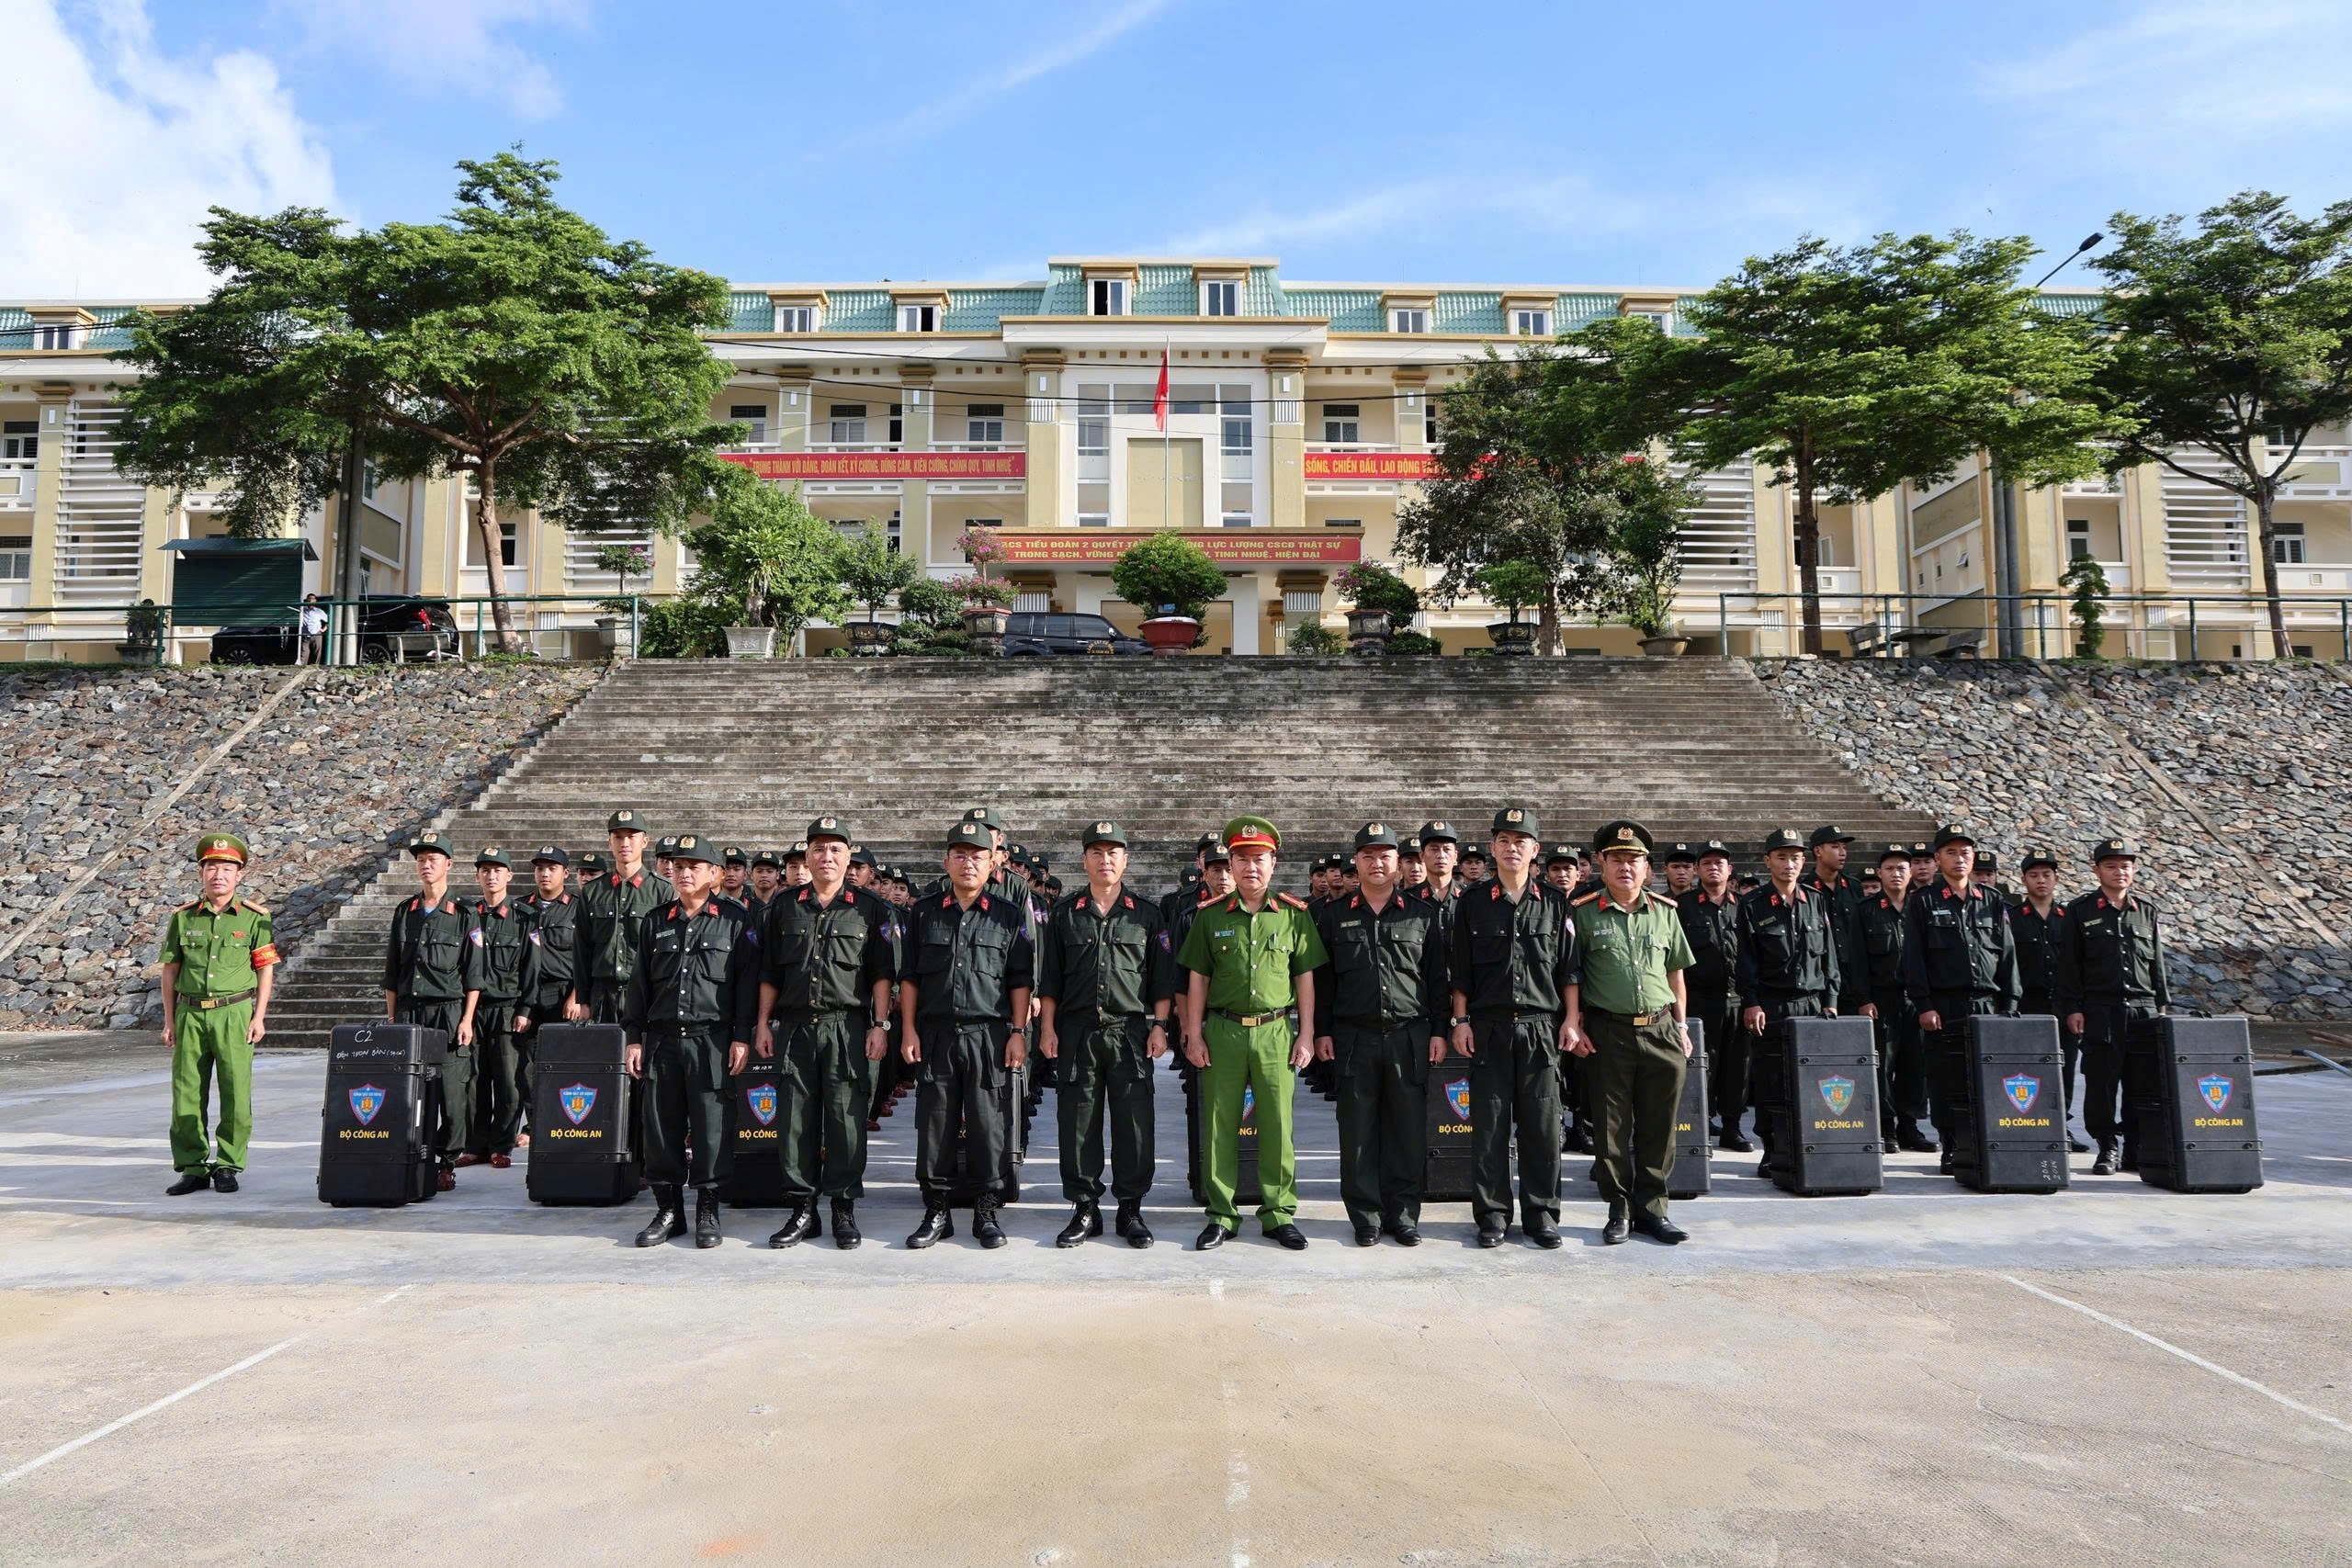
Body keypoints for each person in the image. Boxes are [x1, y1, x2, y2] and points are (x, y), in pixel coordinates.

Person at [1175, 815, 1326, 1252]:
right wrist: (1194, 1034)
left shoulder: (1293, 915)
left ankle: (1278, 1213)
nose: (1250, 868)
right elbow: (1198, 979)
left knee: (1278, 1124)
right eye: (1241, 860)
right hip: (1223, 1030)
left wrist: (1306, 1034)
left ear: (1273, 863)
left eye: (1259, 859)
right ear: (1231, 865)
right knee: (1220, 1123)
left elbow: (1305, 979)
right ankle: (1221, 1214)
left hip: (1275, 1030)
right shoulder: (1209, 916)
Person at [751, 816, 900, 1249]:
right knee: (795, 1122)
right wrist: (762, 1024)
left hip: (847, 1029)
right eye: (818, 849)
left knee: (845, 1121)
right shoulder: (784, 907)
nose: (826, 856)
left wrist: (880, 1025)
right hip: (795, 1028)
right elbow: (769, 973)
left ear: (849, 857)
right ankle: (802, 1209)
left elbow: (881, 974)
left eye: (836, 849)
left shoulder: (870, 908)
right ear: (807, 856)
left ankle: (843, 1208)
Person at [1311, 822, 1447, 1247]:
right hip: (1355, 1038)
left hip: (1409, 1036)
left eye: (1385, 856)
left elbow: (1437, 980)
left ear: (1399, 864)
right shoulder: (1333, 916)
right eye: (1368, 856)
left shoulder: (1422, 914)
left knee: (1407, 1132)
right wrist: (1320, 1032)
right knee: (1357, 1133)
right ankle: (1365, 1216)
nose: (1377, 863)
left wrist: (1440, 1031)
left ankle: (1403, 1214)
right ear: (1356, 862)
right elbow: (1323, 982)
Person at [901, 819, 1035, 1249]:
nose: (968, 863)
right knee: (935, 1124)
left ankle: (986, 1212)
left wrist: (1018, 1032)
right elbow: (910, 978)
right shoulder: (923, 912)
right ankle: (936, 1211)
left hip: (988, 1035)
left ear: (992, 862)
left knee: (987, 1124)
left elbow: (1019, 980)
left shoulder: (1008, 914)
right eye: (959, 855)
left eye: (977, 856)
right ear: (947, 862)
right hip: (936, 1034)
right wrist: (907, 1029)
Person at [1447, 807, 1577, 1249]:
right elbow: (1461, 970)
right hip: (1489, 1028)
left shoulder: (1555, 903)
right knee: (1489, 1127)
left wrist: (1571, 1020)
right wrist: (1461, 1020)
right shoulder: (1472, 902)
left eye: (1521, 841)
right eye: (1503, 840)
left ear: (1535, 850)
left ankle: (1542, 1215)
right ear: (1492, 848)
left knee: (1542, 1127)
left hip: (1541, 1028)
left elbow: (1569, 970)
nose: (1512, 848)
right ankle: (1493, 1215)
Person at [623, 834, 761, 1249]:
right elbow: (639, 985)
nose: (684, 873)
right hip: (662, 1041)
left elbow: (746, 985)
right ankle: (668, 1210)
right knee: (660, 1130)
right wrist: (633, 1039)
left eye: (694, 867)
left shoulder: (735, 920)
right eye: (679, 866)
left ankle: (707, 1209)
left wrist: (741, 1037)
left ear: (714, 873)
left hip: (711, 1041)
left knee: (711, 1129)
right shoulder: (656, 921)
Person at [1037, 820, 1170, 1248]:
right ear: (1085, 860)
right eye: (1096, 852)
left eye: (1113, 852)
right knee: (1077, 1124)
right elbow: (1050, 979)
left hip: (1129, 1033)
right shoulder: (1065, 914)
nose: (1105, 860)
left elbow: (1162, 979)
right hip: (1077, 1033)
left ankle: (1130, 1208)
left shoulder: (1146, 914)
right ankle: (1085, 1208)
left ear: (1125, 860)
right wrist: (1047, 1028)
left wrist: (1160, 1026)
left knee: (1134, 1124)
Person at [1566, 819, 1696, 1246]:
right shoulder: (1583, 912)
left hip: (1661, 1029)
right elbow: (1572, 974)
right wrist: (1576, 1022)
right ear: (1601, 864)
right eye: (1617, 859)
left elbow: (1675, 973)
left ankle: (1654, 1209)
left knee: (1660, 1126)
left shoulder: (1665, 912)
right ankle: (1619, 1208)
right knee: (1611, 1129)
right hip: (1609, 1032)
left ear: (1646, 869)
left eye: (1634, 860)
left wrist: (1681, 1025)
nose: (1626, 867)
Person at [158, 831, 279, 1195]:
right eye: (212, 868)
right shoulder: (183, 918)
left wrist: (259, 1016)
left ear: (239, 875)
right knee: (186, 1093)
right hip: (191, 1014)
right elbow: (170, 971)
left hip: (234, 1013)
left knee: (236, 1093)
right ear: (201, 872)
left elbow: (265, 970)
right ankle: (193, 1166)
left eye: (227, 869)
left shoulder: (255, 918)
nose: (219, 875)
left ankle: (228, 1164)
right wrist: (169, 1020)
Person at [1901, 826, 2021, 1175]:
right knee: (1945, 1079)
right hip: (1945, 1006)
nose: (1960, 859)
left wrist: (2010, 1005)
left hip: (1987, 1005)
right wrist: (1924, 1004)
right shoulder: (1923, 901)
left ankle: (1985, 1141)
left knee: (1987, 1077)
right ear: (1938, 859)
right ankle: (1951, 1143)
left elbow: (2007, 956)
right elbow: (1914, 958)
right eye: (1951, 852)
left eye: (1965, 852)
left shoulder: (1992, 899)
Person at [1736, 828, 1842, 1182]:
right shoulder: (1753, 903)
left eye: (1795, 857)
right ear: (1768, 861)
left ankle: (1808, 1145)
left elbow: (1829, 956)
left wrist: (1830, 1001)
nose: (1789, 864)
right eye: (1781, 857)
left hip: (1812, 1005)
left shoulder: (1816, 899)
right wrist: (1751, 1002)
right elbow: (1746, 960)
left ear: (1804, 861)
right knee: (1771, 1081)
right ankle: (1772, 1148)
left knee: (1812, 1080)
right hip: (1773, 1005)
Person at [2057, 838, 2168, 1176]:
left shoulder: (2146, 911)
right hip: (2100, 1010)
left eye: (2125, 866)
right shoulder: (2080, 911)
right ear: (2096, 870)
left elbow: (2157, 965)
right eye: (2111, 866)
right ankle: (2107, 1145)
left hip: (2143, 1010)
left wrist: (2161, 1008)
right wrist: (2072, 1008)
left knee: (2142, 1084)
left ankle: (2136, 1147)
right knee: (2101, 1084)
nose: (2119, 872)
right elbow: (2069, 965)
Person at [381, 830, 474, 1190]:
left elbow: (474, 974)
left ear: (448, 864)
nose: (426, 865)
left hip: (448, 1013)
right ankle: (411, 1156)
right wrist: (392, 1019)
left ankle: (446, 1161)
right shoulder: (406, 912)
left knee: (451, 1094)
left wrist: (467, 1019)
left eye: (433, 859)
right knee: (410, 1090)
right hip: (409, 1013)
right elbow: (392, 971)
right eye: (421, 860)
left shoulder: (464, 913)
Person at [457, 847, 534, 1170]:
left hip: (507, 1010)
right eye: (485, 871)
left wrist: (525, 1008)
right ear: (477, 876)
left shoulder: (523, 917)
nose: (491, 876)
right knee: (474, 1081)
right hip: (473, 1010)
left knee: (508, 1083)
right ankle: (475, 1145)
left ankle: (501, 1145)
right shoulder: (466, 914)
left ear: (509, 876)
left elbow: (531, 967)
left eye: (497, 870)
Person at [1858, 844, 1935, 1155]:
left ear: (1911, 872)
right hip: (1882, 1000)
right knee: (1883, 1067)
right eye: (1889, 869)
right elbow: (1858, 959)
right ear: (1879, 873)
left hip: (1918, 1000)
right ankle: (1886, 1126)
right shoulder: (1865, 910)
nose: (1896, 874)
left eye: (1902, 868)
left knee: (1915, 1067)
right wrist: (1864, 999)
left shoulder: (1924, 905)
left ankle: (1909, 1126)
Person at [2011, 847, 2087, 1153]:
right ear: (2024, 880)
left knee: (2064, 1069)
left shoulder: (2070, 918)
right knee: (2026, 1070)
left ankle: (2060, 1125)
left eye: (2046, 874)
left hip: (2063, 1006)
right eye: (2034, 875)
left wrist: (2077, 1005)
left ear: (2056, 878)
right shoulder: (2012, 918)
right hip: (2028, 1006)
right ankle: (2029, 1123)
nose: (2040, 880)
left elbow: (2080, 965)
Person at [570, 810, 674, 1024]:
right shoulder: (592, 891)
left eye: (631, 836)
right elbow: (582, 949)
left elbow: (668, 952)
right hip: (602, 996)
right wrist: (583, 1000)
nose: (624, 843)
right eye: (618, 837)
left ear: (644, 841)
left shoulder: (663, 891)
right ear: (610, 842)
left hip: (645, 994)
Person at [1676, 840, 1747, 1151]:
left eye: (1719, 863)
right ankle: (1701, 1125)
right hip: (1699, 1000)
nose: (1713, 868)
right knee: (1701, 1066)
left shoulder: (1744, 905)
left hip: (1738, 999)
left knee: (1738, 1067)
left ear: (1729, 870)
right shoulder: (1683, 906)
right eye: (1706, 863)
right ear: (1697, 870)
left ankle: (1733, 1127)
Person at [514, 845, 578, 1144]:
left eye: (552, 868)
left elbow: (586, 958)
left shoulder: (577, 908)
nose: (545, 874)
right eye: (540, 868)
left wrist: (576, 995)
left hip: (562, 994)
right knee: (526, 1068)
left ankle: (563, 1122)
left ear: (566, 873)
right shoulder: (520, 908)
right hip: (527, 996)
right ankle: (536, 1125)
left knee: (563, 1064)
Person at [297, 593, 328, 665]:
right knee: (304, 652)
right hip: (305, 634)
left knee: (317, 651)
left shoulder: (319, 611)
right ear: (306, 600)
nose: (311, 600)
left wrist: (323, 629)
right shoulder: (302, 610)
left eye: (313, 599)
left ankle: (316, 666)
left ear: (315, 600)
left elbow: (328, 621)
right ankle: (302, 667)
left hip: (316, 633)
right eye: (309, 598)